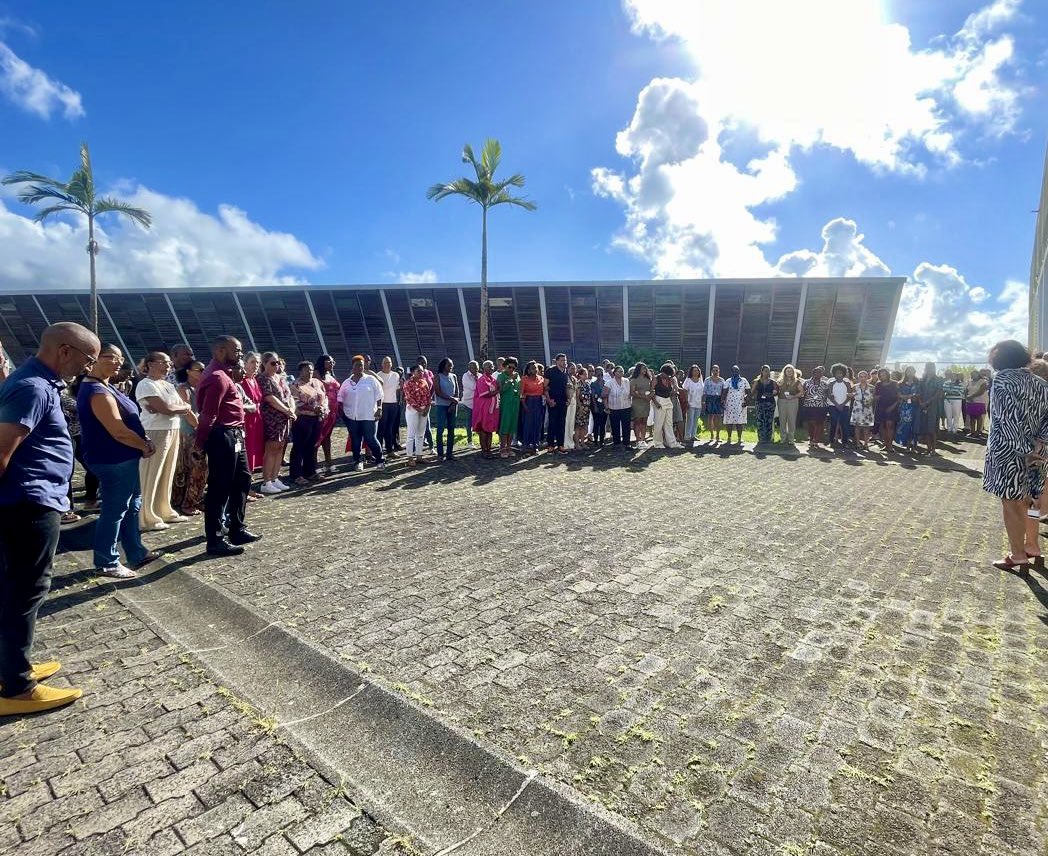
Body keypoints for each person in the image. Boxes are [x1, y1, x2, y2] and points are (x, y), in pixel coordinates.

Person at [0, 322, 98, 715]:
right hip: (27, 503)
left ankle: (10, 667)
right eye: (86, 358)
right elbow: (2, 449)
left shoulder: (38, 383)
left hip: (31, 499)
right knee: (25, 591)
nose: (87, 366)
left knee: (16, 589)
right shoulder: (33, 388)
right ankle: (17, 687)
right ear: (63, 350)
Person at [77, 344, 159, 579]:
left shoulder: (106, 385)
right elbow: (118, 430)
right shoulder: (96, 390)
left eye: (120, 358)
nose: (117, 362)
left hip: (124, 456)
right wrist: (143, 444)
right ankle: (106, 560)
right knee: (114, 510)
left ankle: (135, 551)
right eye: (111, 357)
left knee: (132, 505)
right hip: (113, 458)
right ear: (93, 360)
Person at [983, 340, 1048, 572]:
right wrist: (1040, 446)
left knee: (1011, 502)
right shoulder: (1041, 383)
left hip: (1009, 453)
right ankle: (1030, 546)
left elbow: (1006, 419)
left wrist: (1024, 451)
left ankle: (1017, 554)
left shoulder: (1002, 380)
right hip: (1038, 454)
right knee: (1029, 500)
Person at [196, 336, 261, 556]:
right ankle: (215, 539)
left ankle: (237, 528)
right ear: (221, 351)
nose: (241, 355)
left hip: (235, 434)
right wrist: (200, 444)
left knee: (243, 479)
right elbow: (208, 414)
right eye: (238, 351)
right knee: (219, 487)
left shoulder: (227, 375)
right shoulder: (217, 377)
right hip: (222, 435)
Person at [135, 351, 191, 531]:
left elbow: (177, 406)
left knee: (167, 472)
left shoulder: (167, 385)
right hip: (155, 430)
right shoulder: (146, 384)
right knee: (152, 473)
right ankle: (146, 516)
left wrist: (179, 408)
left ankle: (164, 510)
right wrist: (178, 408)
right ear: (150, 364)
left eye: (169, 363)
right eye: (163, 362)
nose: (168, 366)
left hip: (172, 428)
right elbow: (165, 408)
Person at [171, 361, 208, 517]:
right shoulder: (183, 389)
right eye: (199, 370)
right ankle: (187, 502)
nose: (203, 372)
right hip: (189, 434)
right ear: (189, 371)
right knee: (192, 469)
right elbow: (187, 412)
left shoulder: (201, 388)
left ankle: (195, 498)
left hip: (200, 432)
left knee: (201, 469)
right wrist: (200, 427)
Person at [338, 356, 385, 472]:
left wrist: (379, 408)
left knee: (371, 438)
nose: (360, 367)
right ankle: (358, 461)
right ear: (352, 366)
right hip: (352, 416)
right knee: (355, 439)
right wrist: (343, 414)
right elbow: (340, 397)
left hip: (369, 415)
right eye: (357, 365)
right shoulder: (347, 382)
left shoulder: (371, 380)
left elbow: (379, 395)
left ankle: (380, 460)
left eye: (362, 365)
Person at [61, 380, 98, 521]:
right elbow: (79, 407)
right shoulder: (62, 393)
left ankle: (90, 500)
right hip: (68, 435)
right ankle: (65, 509)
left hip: (79, 434)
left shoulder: (73, 391)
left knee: (92, 467)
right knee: (67, 472)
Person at [258, 352, 295, 493]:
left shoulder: (280, 378)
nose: (276, 365)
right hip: (272, 418)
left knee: (280, 447)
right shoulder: (263, 378)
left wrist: (291, 408)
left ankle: (275, 478)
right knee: (271, 448)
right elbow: (269, 397)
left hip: (285, 418)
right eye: (273, 363)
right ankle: (266, 481)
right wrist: (287, 410)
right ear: (264, 364)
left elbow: (289, 395)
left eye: (277, 362)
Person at [290, 360, 328, 485]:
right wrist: (312, 408)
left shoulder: (317, 383)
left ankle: (310, 472)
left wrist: (323, 408)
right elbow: (296, 403)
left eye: (311, 370)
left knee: (312, 446)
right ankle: (296, 474)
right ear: (300, 371)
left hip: (317, 418)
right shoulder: (295, 385)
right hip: (302, 419)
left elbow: (324, 397)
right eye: (307, 370)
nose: (310, 372)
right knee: (299, 446)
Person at [314, 355, 341, 474]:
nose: (332, 363)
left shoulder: (330, 375)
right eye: (329, 361)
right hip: (321, 413)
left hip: (333, 412)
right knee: (317, 438)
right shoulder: (315, 375)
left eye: (333, 361)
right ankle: (313, 465)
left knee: (327, 438)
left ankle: (328, 462)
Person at [403, 364, 432, 466]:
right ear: (412, 372)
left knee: (420, 434)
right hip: (413, 411)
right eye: (419, 371)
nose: (421, 373)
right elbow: (409, 398)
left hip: (424, 410)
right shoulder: (408, 383)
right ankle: (410, 457)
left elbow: (428, 396)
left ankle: (419, 456)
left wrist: (427, 409)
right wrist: (419, 409)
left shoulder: (424, 382)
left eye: (422, 371)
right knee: (411, 435)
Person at [240, 352, 265, 474]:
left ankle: (251, 471)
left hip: (257, 418)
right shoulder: (242, 380)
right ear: (245, 363)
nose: (256, 365)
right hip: (247, 418)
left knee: (255, 446)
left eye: (258, 362)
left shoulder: (254, 379)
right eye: (252, 362)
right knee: (248, 446)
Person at [432, 358, 460, 462]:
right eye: (449, 365)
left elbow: (457, 391)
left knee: (451, 429)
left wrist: (453, 403)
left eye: (452, 365)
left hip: (452, 406)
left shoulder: (454, 376)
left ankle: (449, 453)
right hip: (441, 406)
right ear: (444, 366)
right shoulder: (437, 377)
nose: (451, 367)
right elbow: (438, 392)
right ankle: (440, 453)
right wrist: (451, 398)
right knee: (440, 429)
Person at [651, 363, 683, 449]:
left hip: (668, 400)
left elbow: (671, 392)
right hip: (659, 400)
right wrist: (656, 402)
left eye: (670, 375)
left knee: (669, 423)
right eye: (667, 374)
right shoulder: (656, 378)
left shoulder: (670, 379)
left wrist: (674, 390)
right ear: (662, 372)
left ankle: (671, 442)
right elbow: (651, 391)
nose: (668, 376)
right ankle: (658, 443)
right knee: (659, 423)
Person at [471, 361, 500, 458]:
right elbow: (486, 394)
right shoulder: (482, 380)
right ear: (483, 368)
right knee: (483, 429)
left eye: (492, 367)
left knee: (489, 429)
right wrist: (497, 391)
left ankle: (489, 449)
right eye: (488, 367)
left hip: (492, 409)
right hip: (483, 408)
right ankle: (484, 450)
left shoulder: (493, 380)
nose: (491, 369)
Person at [545, 354, 570, 453]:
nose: (564, 362)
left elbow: (566, 387)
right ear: (557, 361)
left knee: (561, 423)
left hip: (563, 402)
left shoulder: (565, 373)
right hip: (553, 402)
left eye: (565, 360)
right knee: (552, 423)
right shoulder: (550, 371)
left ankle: (560, 444)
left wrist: (568, 398)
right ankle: (550, 445)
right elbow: (545, 387)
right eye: (562, 360)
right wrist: (549, 400)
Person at [801, 366, 830, 451]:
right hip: (809, 406)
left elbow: (827, 395)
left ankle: (816, 440)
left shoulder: (825, 384)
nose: (819, 374)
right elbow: (803, 393)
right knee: (810, 423)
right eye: (817, 372)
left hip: (821, 406)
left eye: (820, 373)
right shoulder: (806, 382)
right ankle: (811, 438)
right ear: (813, 373)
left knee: (819, 423)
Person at [917, 362, 943, 455]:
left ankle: (933, 450)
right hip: (922, 406)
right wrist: (920, 402)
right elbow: (919, 392)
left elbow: (938, 393)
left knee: (932, 429)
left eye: (931, 368)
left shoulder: (938, 379)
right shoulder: (922, 380)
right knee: (925, 429)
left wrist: (928, 402)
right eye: (928, 367)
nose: (929, 369)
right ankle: (928, 449)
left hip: (933, 407)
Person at [497, 357, 521, 458]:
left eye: (514, 367)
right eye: (509, 367)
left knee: (512, 426)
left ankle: (509, 447)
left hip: (515, 403)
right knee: (505, 425)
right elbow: (501, 390)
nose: (511, 369)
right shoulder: (501, 376)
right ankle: (502, 447)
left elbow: (519, 388)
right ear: (505, 366)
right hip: (506, 403)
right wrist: (511, 379)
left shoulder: (517, 375)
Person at [377, 356, 401, 455]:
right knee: (381, 427)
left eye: (389, 363)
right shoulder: (378, 375)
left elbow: (398, 389)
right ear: (382, 364)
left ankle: (390, 449)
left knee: (390, 427)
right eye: (385, 363)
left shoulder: (396, 375)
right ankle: (378, 450)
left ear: (392, 364)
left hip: (393, 404)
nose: (387, 364)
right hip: (383, 404)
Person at [521, 361, 546, 452]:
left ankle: (536, 443)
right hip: (529, 401)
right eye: (532, 368)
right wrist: (524, 405)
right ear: (528, 370)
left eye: (535, 368)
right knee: (528, 424)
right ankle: (526, 443)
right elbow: (521, 394)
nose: (535, 370)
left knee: (538, 423)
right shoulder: (524, 379)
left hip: (539, 402)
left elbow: (544, 390)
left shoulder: (541, 378)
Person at [873, 368, 900, 451]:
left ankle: (890, 445)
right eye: (880, 375)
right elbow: (874, 396)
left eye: (884, 374)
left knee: (890, 426)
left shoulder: (894, 383)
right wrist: (876, 397)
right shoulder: (878, 384)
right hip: (880, 407)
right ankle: (886, 444)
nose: (882, 376)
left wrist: (892, 407)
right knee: (882, 427)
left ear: (888, 374)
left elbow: (899, 397)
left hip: (892, 407)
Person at [723, 365, 750, 445]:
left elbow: (749, 392)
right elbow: (724, 392)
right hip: (729, 404)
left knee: (739, 422)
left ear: (739, 371)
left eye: (737, 370)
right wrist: (722, 401)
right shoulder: (728, 381)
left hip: (741, 404)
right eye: (734, 371)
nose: (736, 372)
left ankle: (739, 438)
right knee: (729, 422)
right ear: (732, 372)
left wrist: (747, 401)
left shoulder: (744, 380)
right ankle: (729, 438)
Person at [605, 366, 632, 448]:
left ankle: (626, 443)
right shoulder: (609, 383)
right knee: (615, 425)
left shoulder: (626, 381)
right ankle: (616, 443)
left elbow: (630, 393)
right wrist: (606, 407)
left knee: (626, 425)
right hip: (614, 408)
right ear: (615, 372)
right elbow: (604, 395)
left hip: (626, 406)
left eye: (622, 371)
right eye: (619, 371)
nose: (621, 373)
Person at [827, 364, 852, 448]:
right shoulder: (831, 383)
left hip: (845, 406)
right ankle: (831, 441)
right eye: (837, 373)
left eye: (841, 373)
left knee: (844, 424)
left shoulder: (847, 383)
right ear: (834, 373)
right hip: (833, 406)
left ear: (843, 373)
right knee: (833, 423)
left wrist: (843, 404)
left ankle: (845, 442)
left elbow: (850, 396)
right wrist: (837, 405)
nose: (839, 375)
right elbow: (830, 396)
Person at [896, 366, 919, 453]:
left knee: (914, 426)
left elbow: (920, 394)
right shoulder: (900, 383)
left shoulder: (918, 383)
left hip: (915, 407)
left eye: (912, 371)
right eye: (908, 371)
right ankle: (906, 446)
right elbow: (898, 394)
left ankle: (913, 447)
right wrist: (905, 396)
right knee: (905, 426)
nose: (910, 373)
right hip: (904, 408)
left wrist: (914, 396)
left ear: (915, 372)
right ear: (905, 372)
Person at [753, 365, 778, 445]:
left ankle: (768, 439)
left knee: (769, 421)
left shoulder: (773, 382)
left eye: (768, 371)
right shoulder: (757, 381)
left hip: (770, 403)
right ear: (762, 371)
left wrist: (775, 392)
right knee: (760, 421)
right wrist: (755, 394)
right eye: (765, 371)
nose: (767, 372)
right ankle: (761, 438)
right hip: (759, 403)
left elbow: (777, 391)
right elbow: (752, 391)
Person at [777, 365, 802, 445]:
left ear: (793, 372)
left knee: (791, 420)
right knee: (782, 420)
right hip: (782, 401)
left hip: (793, 402)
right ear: (784, 372)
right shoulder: (780, 381)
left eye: (791, 371)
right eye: (787, 371)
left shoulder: (797, 381)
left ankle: (791, 439)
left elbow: (802, 392)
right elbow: (776, 390)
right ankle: (783, 438)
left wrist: (793, 396)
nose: (789, 372)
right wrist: (778, 386)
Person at [850, 370, 875, 450]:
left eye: (864, 376)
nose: (863, 378)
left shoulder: (872, 387)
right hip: (857, 407)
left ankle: (866, 444)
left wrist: (871, 401)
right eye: (861, 376)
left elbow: (874, 397)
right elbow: (851, 395)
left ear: (867, 377)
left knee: (866, 427)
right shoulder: (854, 386)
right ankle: (857, 443)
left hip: (868, 407)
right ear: (858, 377)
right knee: (857, 426)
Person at [629, 363, 653, 448]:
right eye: (643, 368)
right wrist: (643, 397)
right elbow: (632, 392)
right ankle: (637, 440)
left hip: (646, 403)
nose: (645, 370)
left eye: (645, 368)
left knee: (644, 421)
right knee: (638, 421)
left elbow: (651, 390)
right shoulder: (634, 380)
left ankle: (643, 439)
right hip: (637, 403)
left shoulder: (648, 379)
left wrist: (650, 396)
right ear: (638, 369)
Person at [702, 365, 726, 442]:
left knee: (718, 417)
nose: (715, 372)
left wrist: (723, 400)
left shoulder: (722, 380)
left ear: (719, 371)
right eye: (714, 370)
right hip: (710, 398)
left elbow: (724, 391)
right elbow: (704, 391)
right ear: (711, 371)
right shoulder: (707, 380)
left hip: (718, 399)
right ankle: (712, 434)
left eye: (717, 370)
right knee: (710, 417)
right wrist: (704, 402)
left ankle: (718, 435)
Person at [682, 366, 704, 445]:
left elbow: (702, 391)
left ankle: (693, 435)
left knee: (695, 419)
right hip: (690, 402)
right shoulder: (688, 380)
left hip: (698, 403)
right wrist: (686, 401)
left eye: (697, 370)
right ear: (691, 372)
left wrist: (702, 401)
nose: (696, 372)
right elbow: (684, 390)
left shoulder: (700, 379)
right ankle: (687, 436)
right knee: (690, 419)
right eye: (694, 371)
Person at [461, 361, 479, 449]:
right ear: (469, 368)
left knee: (478, 422)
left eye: (476, 367)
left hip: (478, 403)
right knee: (469, 423)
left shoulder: (480, 375)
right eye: (473, 367)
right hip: (468, 403)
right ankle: (469, 441)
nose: (475, 369)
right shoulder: (465, 376)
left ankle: (481, 439)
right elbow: (473, 387)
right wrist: (478, 381)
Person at [966, 369, 989, 437]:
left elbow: (981, 391)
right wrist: (967, 397)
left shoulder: (983, 381)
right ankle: (972, 431)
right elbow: (966, 390)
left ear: (978, 374)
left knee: (979, 416)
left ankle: (978, 432)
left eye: (975, 374)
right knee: (972, 417)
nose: (973, 375)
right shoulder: (969, 381)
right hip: (970, 401)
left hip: (979, 401)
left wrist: (971, 396)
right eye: (972, 374)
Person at [574, 367, 593, 449]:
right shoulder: (578, 384)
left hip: (587, 407)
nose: (586, 375)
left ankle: (583, 442)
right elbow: (577, 396)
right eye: (584, 374)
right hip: (580, 407)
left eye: (586, 374)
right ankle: (577, 444)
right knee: (578, 426)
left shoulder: (588, 384)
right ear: (580, 375)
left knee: (584, 425)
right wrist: (580, 406)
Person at [942, 370, 966, 435]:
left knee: (956, 415)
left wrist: (951, 392)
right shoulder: (946, 382)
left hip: (957, 400)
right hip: (947, 400)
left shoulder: (960, 383)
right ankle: (949, 428)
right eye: (952, 375)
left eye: (954, 376)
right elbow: (944, 390)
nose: (953, 377)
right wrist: (954, 392)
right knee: (948, 415)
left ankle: (955, 429)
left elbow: (960, 392)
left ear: (956, 377)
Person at [590, 367, 608, 446]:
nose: (600, 375)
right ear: (596, 374)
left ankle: (602, 440)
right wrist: (595, 406)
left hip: (604, 406)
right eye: (598, 374)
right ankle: (596, 440)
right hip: (596, 405)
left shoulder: (606, 383)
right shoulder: (593, 384)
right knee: (596, 423)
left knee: (603, 424)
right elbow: (593, 396)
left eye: (601, 374)